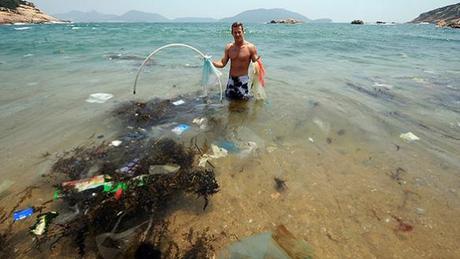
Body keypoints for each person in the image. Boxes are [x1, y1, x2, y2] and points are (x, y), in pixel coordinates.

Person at [213, 22, 260, 100]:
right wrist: (211, 62)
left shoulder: (251, 47)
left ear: (243, 32)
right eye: (235, 32)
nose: (237, 34)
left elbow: (256, 61)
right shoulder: (229, 47)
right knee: (229, 105)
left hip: (243, 82)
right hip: (231, 81)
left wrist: (257, 61)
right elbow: (222, 63)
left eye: (239, 32)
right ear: (232, 33)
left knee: (243, 106)